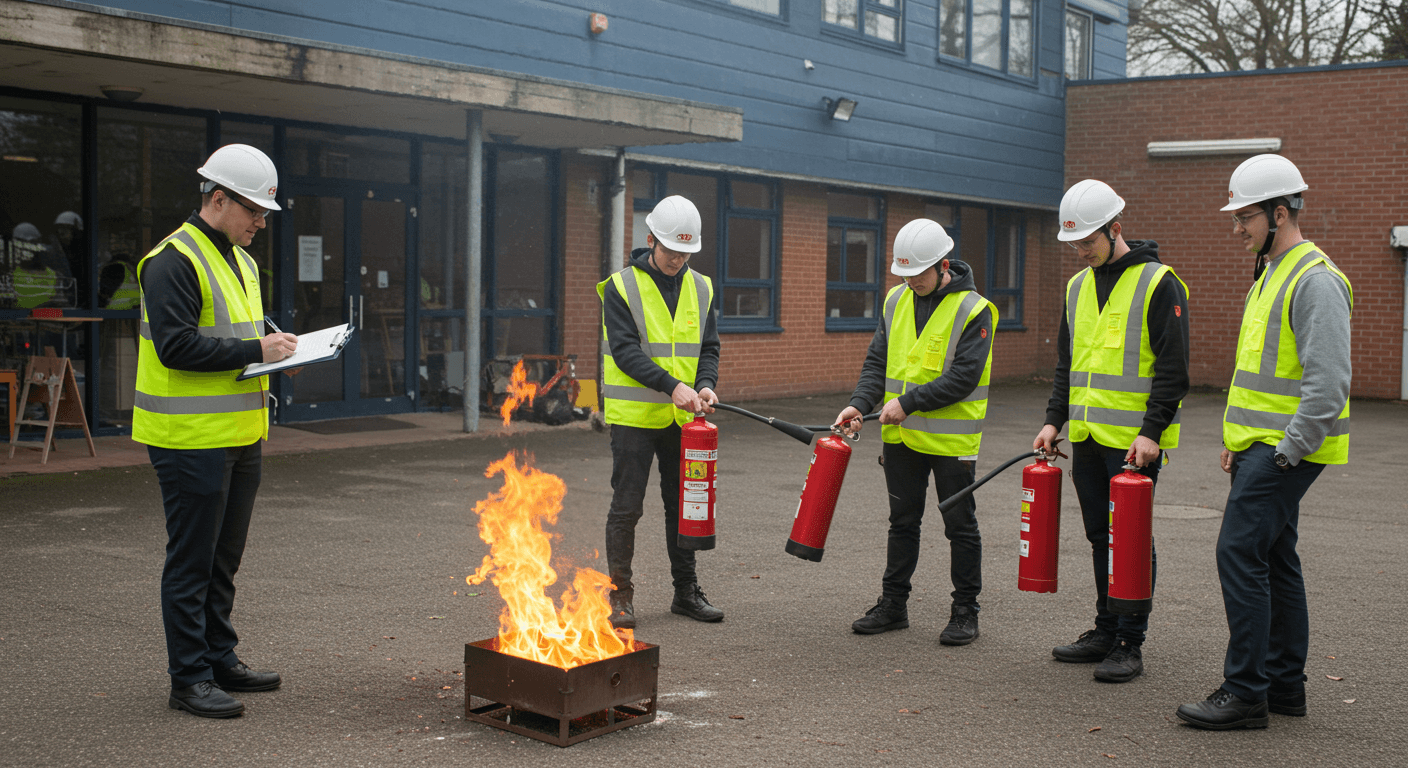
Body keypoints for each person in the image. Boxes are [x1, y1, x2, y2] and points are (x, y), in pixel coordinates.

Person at [1176, 155, 1351, 730]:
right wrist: (1239, 440)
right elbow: (1257, 376)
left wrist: (1283, 451)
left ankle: (1245, 692)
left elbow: (1328, 387)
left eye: (1245, 217)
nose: (1237, 228)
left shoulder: (1313, 279)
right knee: (1274, 557)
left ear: (1281, 213)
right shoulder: (1270, 272)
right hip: (1262, 447)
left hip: (1283, 450)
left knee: (1237, 552)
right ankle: (1283, 688)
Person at [133, 144, 297, 719]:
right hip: (188, 440)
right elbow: (177, 347)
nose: (260, 222)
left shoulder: (241, 259)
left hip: (239, 434)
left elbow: (238, 339)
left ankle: (220, 657)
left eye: (264, 213)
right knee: (192, 560)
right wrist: (258, 349)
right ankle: (190, 678)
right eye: (253, 210)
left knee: (224, 557)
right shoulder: (171, 260)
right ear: (218, 198)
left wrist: (274, 354)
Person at [1034, 179, 1189, 683]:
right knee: (1100, 535)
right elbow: (1068, 365)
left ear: (1116, 230)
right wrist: (1054, 419)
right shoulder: (1078, 287)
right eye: (1074, 245)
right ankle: (1105, 627)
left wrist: (1153, 432)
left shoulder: (1160, 283)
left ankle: (1129, 641)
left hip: (1135, 446)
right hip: (1087, 437)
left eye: (1087, 243)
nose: (1080, 253)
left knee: (1131, 539)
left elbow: (1173, 370)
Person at [834, 218, 996, 646]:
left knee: (959, 525)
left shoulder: (975, 309)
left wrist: (908, 403)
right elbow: (877, 363)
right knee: (902, 522)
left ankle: (965, 611)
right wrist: (859, 403)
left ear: (944, 265)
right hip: (901, 440)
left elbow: (964, 377)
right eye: (904, 274)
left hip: (950, 442)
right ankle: (893, 605)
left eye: (919, 274)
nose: (911, 282)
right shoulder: (895, 300)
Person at [597, 194, 722, 630]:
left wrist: (705, 384)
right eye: (671, 250)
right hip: (634, 420)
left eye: (686, 252)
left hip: (683, 420)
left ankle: (685, 593)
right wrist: (674, 387)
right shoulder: (621, 286)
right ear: (651, 239)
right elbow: (626, 353)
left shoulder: (701, 287)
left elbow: (709, 348)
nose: (678, 259)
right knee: (627, 508)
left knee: (682, 504)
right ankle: (620, 597)